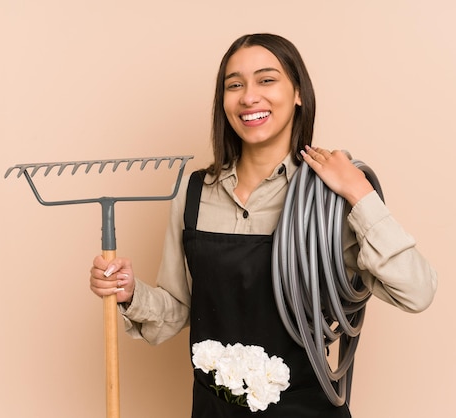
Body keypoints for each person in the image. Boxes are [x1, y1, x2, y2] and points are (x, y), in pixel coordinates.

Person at [89, 33, 437, 417]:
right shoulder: (191, 194)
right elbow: (177, 311)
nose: (249, 96)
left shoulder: (328, 200)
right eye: (234, 84)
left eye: (267, 80)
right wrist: (129, 291)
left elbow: (416, 292)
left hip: (306, 409)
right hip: (213, 410)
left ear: (299, 92)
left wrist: (360, 194)